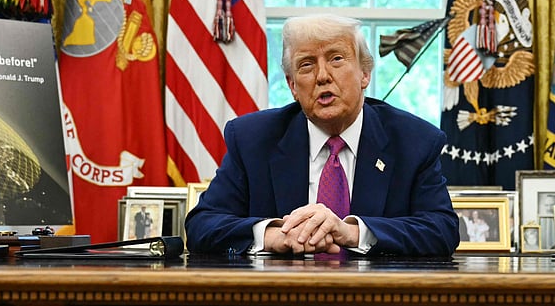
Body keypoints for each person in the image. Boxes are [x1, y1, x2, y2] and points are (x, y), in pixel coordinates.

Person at [185, 14, 460, 257]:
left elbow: (441, 230)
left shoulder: (414, 141)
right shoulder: (253, 139)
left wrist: (350, 232)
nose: (322, 76)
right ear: (293, 86)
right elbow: (202, 225)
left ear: (365, 73)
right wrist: (274, 236)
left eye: (336, 59)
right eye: (306, 65)